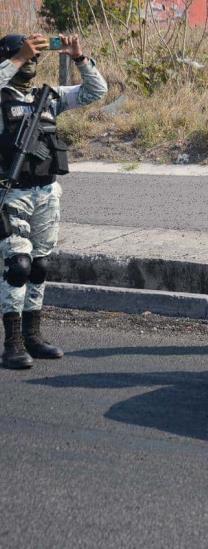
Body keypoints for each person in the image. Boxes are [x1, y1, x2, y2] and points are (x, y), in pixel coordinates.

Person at [0, 33, 107, 369]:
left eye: (33, 58)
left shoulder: (47, 97)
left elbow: (95, 91)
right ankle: (12, 342)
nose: (30, 63)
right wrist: (17, 57)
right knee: (18, 266)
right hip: (11, 193)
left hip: (46, 192)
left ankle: (33, 335)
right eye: (24, 58)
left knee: (40, 265)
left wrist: (79, 58)